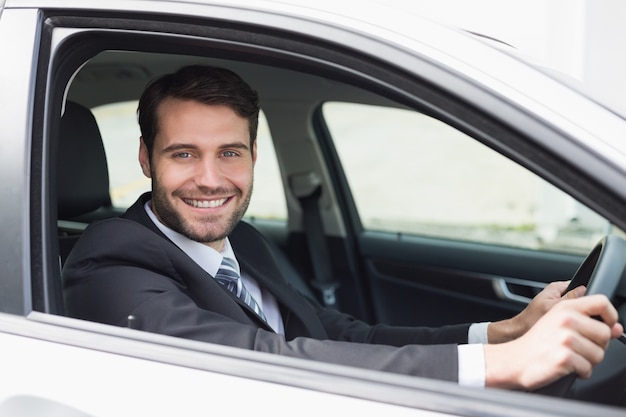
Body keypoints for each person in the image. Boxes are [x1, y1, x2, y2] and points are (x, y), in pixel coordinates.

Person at [63, 65, 623, 390]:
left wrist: (503, 331)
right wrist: (502, 366)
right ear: (145, 157)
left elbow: (343, 336)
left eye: (229, 153)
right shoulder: (109, 261)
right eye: (183, 154)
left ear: (255, 155)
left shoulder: (244, 241)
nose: (211, 179)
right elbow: (261, 359)